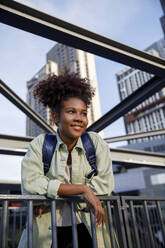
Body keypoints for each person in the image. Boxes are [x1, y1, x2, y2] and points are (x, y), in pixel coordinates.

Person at [18, 71, 114, 248]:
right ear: (56, 117)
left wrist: (48, 195)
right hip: (48, 232)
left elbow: (106, 185)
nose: (79, 118)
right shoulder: (41, 144)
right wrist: (83, 190)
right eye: (71, 112)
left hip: (90, 227)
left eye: (83, 113)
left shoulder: (95, 142)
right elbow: (30, 185)